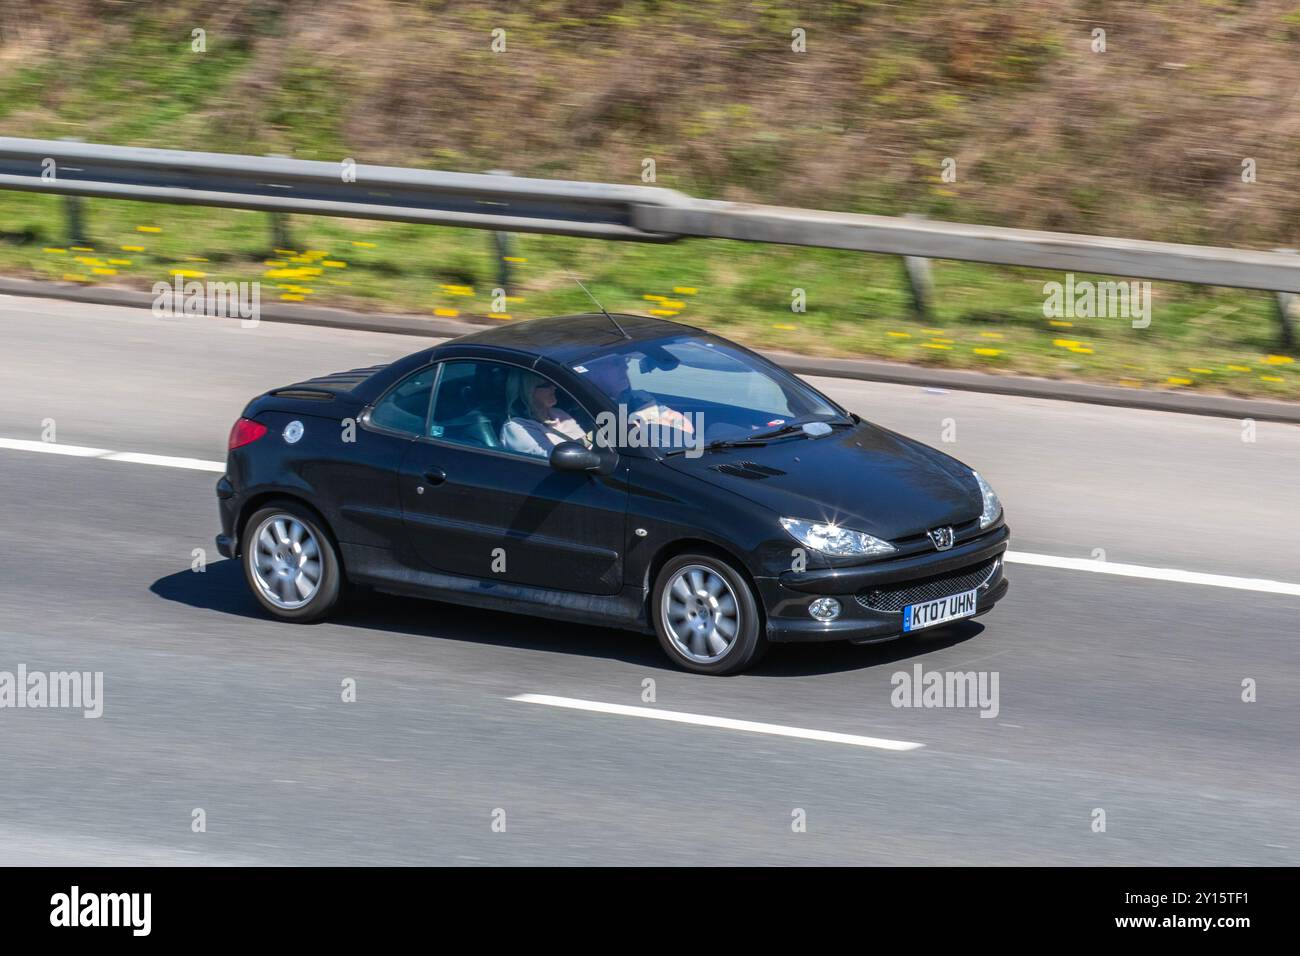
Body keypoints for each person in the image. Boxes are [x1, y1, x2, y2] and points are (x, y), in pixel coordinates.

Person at [583, 353, 695, 436]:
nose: (626, 367)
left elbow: (686, 427)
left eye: (625, 360)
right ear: (590, 370)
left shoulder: (640, 398)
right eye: (616, 363)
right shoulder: (577, 406)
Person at [499, 369, 588, 458]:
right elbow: (555, 458)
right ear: (528, 391)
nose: (554, 387)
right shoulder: (515, 427)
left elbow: (587, 441)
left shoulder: (558, 413)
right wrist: (595, 437)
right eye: (546, 385)